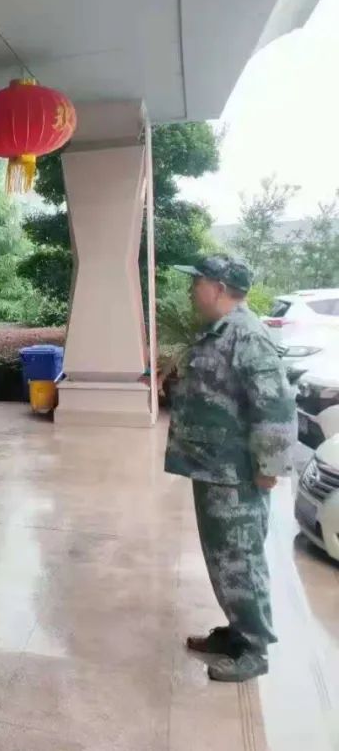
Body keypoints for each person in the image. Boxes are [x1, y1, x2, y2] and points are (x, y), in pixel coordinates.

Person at [166, 255, 296, 683]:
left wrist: (269, 467)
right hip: (213, 470)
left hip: (238, 476)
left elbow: (275, 405)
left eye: (197, 281)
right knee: (223, 559)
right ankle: (237, 631)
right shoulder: (218, 332)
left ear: (219, 287)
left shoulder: (248, 336)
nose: (191, 289)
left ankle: (254, 648)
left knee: (241, 560)